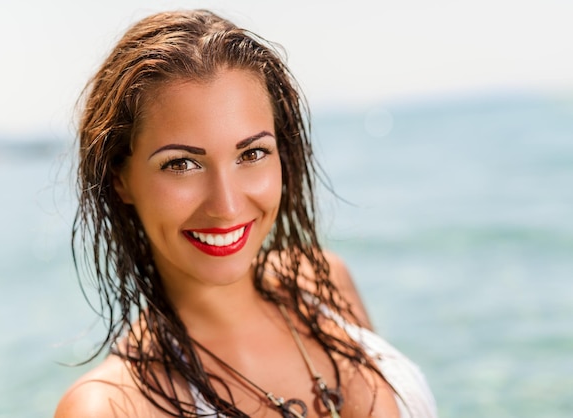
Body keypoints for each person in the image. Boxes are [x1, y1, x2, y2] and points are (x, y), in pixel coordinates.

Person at [55, 9, 437, 418]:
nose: (227, 206)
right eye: (181, 164)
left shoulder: (326, 285)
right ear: (120, 180)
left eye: (251, 153)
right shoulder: (111, 406)